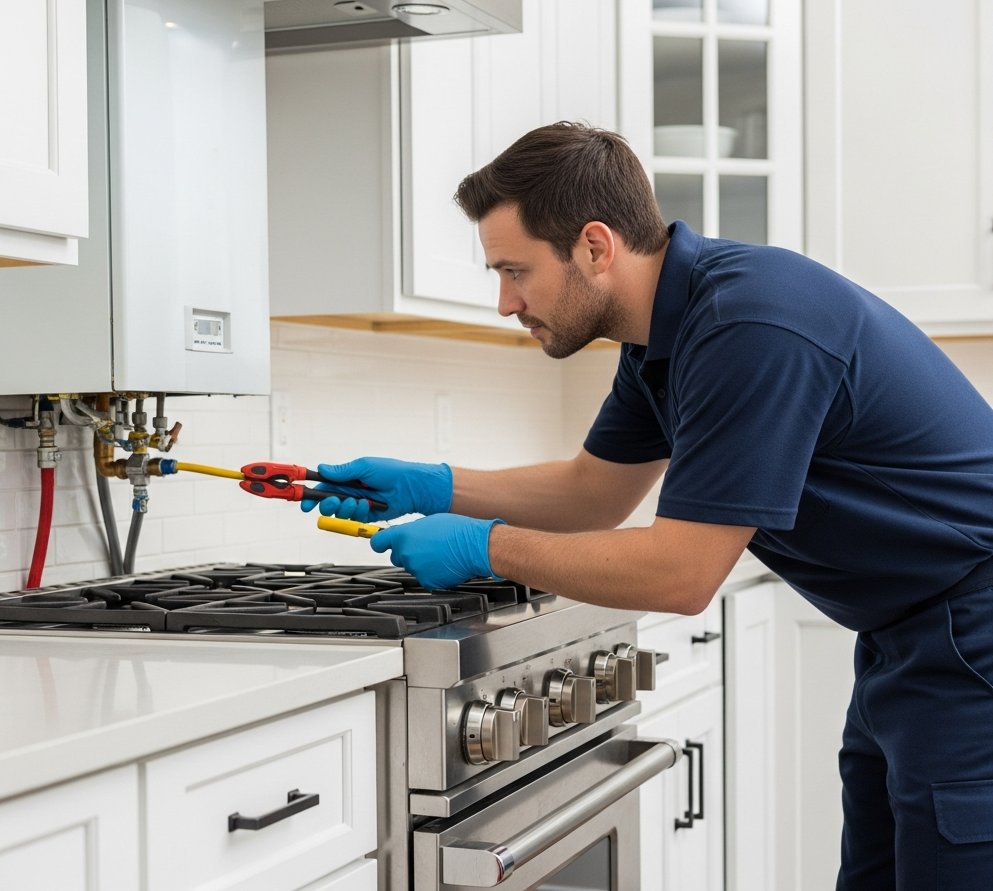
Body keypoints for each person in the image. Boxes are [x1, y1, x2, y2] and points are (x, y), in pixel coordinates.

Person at [304, 122, 993, 889]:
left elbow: (682, 574)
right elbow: (592, 492)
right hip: (909, 638)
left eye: (515, 271)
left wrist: (485, 546)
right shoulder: (662, 336)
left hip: (971, 634)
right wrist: (434, 483)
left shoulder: (749, 325)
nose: (504, 302)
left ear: (595, 247)